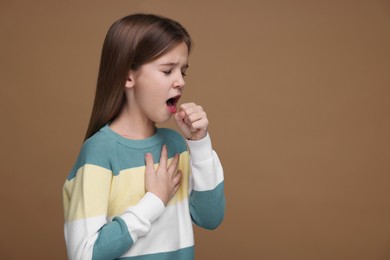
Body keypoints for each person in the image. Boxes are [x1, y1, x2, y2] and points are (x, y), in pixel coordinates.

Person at [62, 13, 225, 260]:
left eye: (183, 72)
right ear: (128, 76)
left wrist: (200, 144)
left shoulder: (176, 145)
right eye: (168, 70)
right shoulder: (100, 152)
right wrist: (154, 201)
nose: (180, 81)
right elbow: (84, 254)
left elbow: (211, 218)